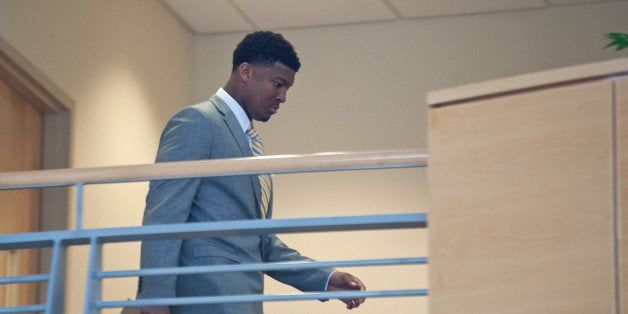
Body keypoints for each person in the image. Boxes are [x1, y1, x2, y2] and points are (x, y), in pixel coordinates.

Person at [137, 31, 366, 314]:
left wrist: (326, 279)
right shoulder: (197, 121)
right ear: (246, 71)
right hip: (203, 298)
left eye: (287, 89)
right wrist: (154, 299)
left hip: (243, 302)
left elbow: (260, 242)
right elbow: (164, 214)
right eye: (278, 84)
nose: (282, 96)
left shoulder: (251, 142)